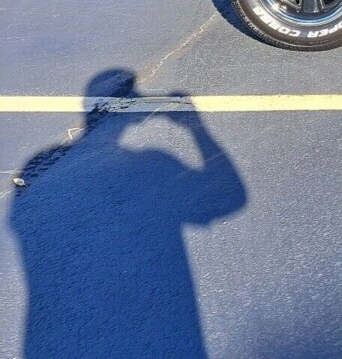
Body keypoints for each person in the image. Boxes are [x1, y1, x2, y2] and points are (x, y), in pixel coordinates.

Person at [10, 69, 246, 358]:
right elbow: (232, 198)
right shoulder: (155, 163)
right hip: (162, 323)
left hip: (51, 333)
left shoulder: (42, 163)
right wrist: (196, 128)